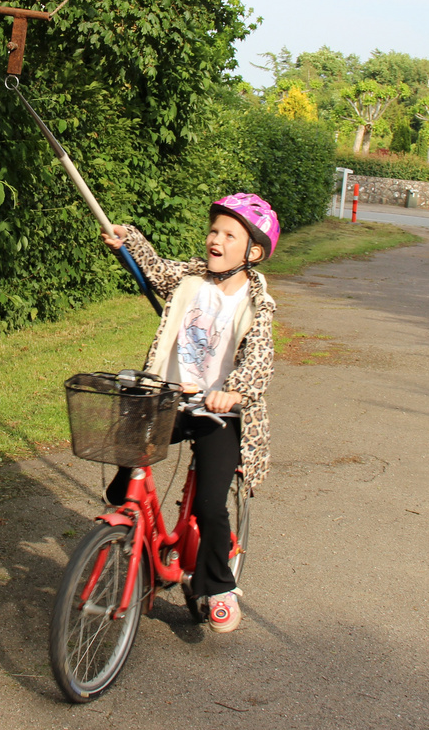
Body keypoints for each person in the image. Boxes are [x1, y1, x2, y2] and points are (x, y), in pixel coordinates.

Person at [100, 193, 278, 634]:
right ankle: (128, 510)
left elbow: (259, 359)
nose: (216, 240)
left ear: (253, 253)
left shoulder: (257, 304)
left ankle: (219, 586)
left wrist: (233, 392)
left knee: (210, 504)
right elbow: (154, 268)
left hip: (219, 412)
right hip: (173, 399)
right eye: (214, 230)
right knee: (131, 444)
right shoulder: (190, 278)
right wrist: (128, 240)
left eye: (230, 235)